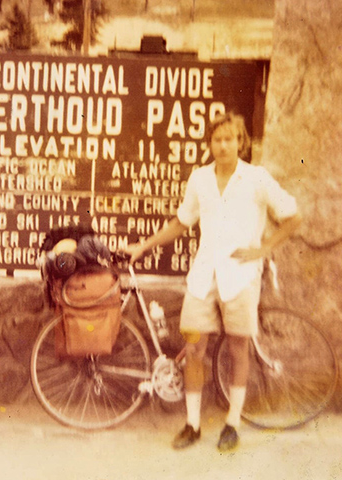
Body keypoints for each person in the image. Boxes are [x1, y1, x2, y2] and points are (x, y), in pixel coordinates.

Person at [124, 112, 301, 452]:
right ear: (210, 143)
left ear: (240, 142)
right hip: (203, 277)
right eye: (217, 139)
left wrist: (262, 249)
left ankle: (232, 424)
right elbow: (180, 223)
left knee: (238, 349)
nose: (223, 145)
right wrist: (143, 246)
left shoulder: (256, 179)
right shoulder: (200, 179)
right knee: (193, 347)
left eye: (230, 139)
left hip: (241, 278)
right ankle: (191, 424)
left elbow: (293, 217)